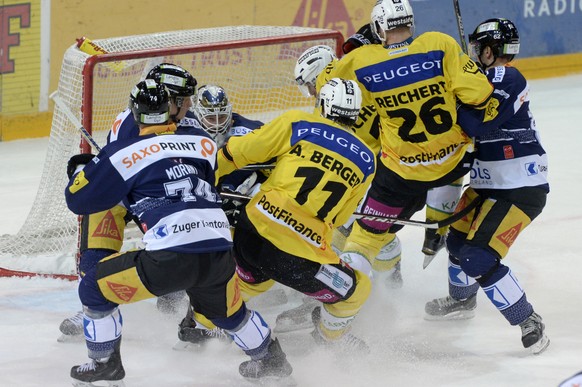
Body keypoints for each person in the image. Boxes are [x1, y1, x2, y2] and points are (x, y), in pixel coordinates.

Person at [65, 79, 292, 385]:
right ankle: (272, 362)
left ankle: (104, 363)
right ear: (173, 111)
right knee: (230, 315)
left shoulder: (123, 151)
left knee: (93, 288)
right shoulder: (202, 142)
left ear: (135, 113)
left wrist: (83, 171)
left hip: (170, 256)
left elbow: (79, 200)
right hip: (219, 252)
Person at [320, 0, 497, 290]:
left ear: (379, 27)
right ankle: (437, 229)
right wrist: (468, 69)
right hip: (452, 164)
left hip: (400, 176)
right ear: (410, 22)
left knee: (365, 237)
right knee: (452, 161)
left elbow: (327, 89)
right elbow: (479, 95)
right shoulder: (439, 43)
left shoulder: (363, 60)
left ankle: (343, 304)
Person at [217, 78, 376, 351]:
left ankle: (205, 324)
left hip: (251, 238)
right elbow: (337, 220)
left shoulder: (298, 123)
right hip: (300, 262)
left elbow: (237, 153)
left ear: (323, 104)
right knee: (357, 291)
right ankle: (331, 338)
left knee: (247, 283)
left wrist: (207, 179)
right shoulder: (367, 160)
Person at [424, 18, 550, 355]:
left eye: (479, 49)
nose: (475, 54)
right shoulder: (484, 79)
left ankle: (528, 319)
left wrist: (455, 98)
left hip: (519, 187)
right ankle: (462, 301)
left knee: (477, 257)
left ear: (491, 51)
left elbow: (481, 125)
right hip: (489, 185)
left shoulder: (507, 76)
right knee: (458, 241)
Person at [58, 63, 200, 342]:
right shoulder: (129, 123)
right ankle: (91, 305)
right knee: (98, 213)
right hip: (128, 195)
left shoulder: (191, 121)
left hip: (170, 195)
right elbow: (119, 178)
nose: (190, 104)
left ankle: (192, 295)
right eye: (184, 99)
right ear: (167, 100)